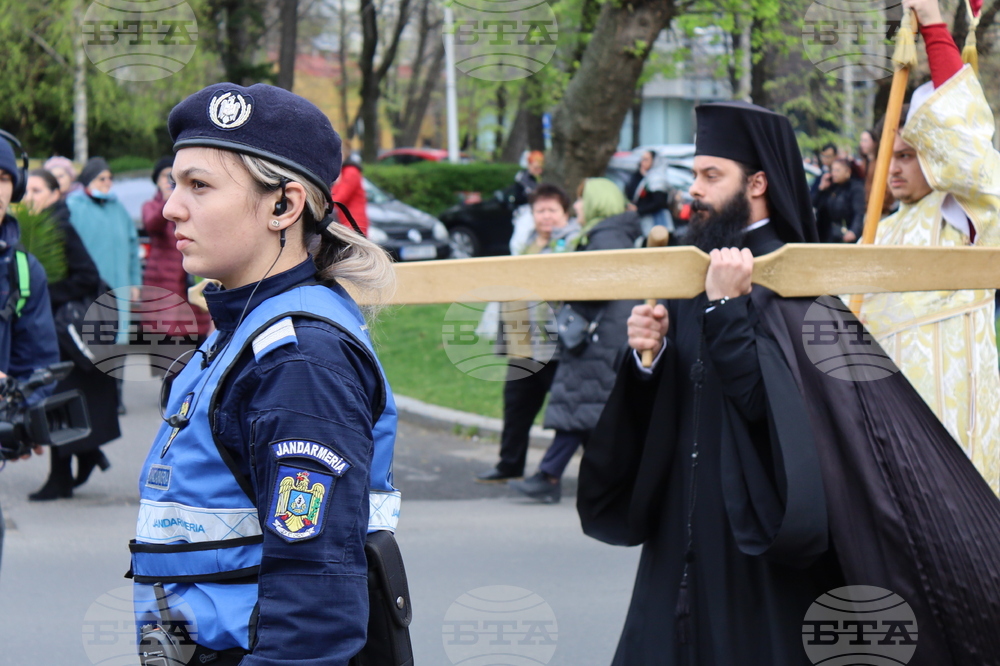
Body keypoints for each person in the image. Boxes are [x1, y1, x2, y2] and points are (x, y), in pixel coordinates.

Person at [577, 97, 1000, 664]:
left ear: (756, 183)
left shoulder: (797, 286)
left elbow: (768, 410)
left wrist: (728, 309)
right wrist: (646, 360)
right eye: (695, 174)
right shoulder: (691, 273)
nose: (693, 190)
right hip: (678, 535)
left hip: (755, 553)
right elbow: (676, 407)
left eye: (710, 175)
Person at [129, 82, 401, 665]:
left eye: (200, 185)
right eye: (177, 183)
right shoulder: (245, 326)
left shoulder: (299, 361)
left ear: (284, 206)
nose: (173, 206)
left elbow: (314, 612)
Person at [859, 0, 1000, 493]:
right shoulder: (878, 232)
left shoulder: (967, 214)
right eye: (886, 156)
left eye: (906, 156)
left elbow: (966, 148)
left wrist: (935, 31)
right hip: (885, 432)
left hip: (952, 425)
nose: (891, 169)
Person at [509, 178, 641, 502]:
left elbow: (591, 292)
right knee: (585, 412)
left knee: (579, 408)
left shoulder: (605, 239)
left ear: (597, 204)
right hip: (600, 336)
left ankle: (552, 477)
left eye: (582, 201)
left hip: (597, 338)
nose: (577, 208)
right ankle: (565, 477)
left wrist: (564, 298)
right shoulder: (608, 235)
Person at [22, 168, 119, 500]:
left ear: (53, 194)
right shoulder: (38, 228)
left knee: (57, 401)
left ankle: (61, 477)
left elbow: (87, 275)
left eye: (37, 190)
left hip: (63, 330)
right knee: (59, 401)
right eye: (28, 191)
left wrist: (45, 293)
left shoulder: (58, 226)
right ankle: (83, 458)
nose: (29, 197)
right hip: (50, 329)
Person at [477, 183, 579, 483]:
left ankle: (591, 469)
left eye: (551, 210)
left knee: (567, 408)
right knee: (516, 405)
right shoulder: (529, 241)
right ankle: (509, 464)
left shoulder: (574, 241)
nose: (545, 216)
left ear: (565, 212)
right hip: (523, 344)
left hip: (557, 345)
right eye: (540, 210)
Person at [142, 155, 212, 359]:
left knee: (197, 344)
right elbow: (151, 225)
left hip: (190, 282)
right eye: (166, 177)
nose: (169, 182)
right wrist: (168, 201)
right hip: (164, 286)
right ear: (156, 180)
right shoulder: (152, 206)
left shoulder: (192, 205)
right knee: (169, 350)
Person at [67, 157, 141, 345]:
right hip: (91, 289)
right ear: (88, 180)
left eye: (110, 178)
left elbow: (133, 248)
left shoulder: (118, 208)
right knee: (94, 341)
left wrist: (135, 283)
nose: (108, 182)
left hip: (120, 288)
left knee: (119, 344)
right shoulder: (74, 207)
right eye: (102, 178)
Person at [811, 157, 865, 242]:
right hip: (825, 234)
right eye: (833, 170)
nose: (834, 173)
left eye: (838, 170)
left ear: (847, 172)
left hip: (844, 233)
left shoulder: (855, 188)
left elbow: (858, 213)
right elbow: (813, 203)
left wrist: (854, 232)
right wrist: (821, 189)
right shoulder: (829, 186)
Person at [625, 150, 672, 231]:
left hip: (657, 221)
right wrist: (639, 175)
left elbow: (659, 202)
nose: (642, 162)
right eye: (642, 159)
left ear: (654, 161)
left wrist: (639, 210)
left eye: (646, 159)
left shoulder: (657, 179)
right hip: (645, 221)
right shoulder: (644, 177)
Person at [331, 147, 369, 236]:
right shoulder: (344, 172)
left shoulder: (351, 172)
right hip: (347, 223)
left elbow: (339, 198)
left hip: (354, 224)